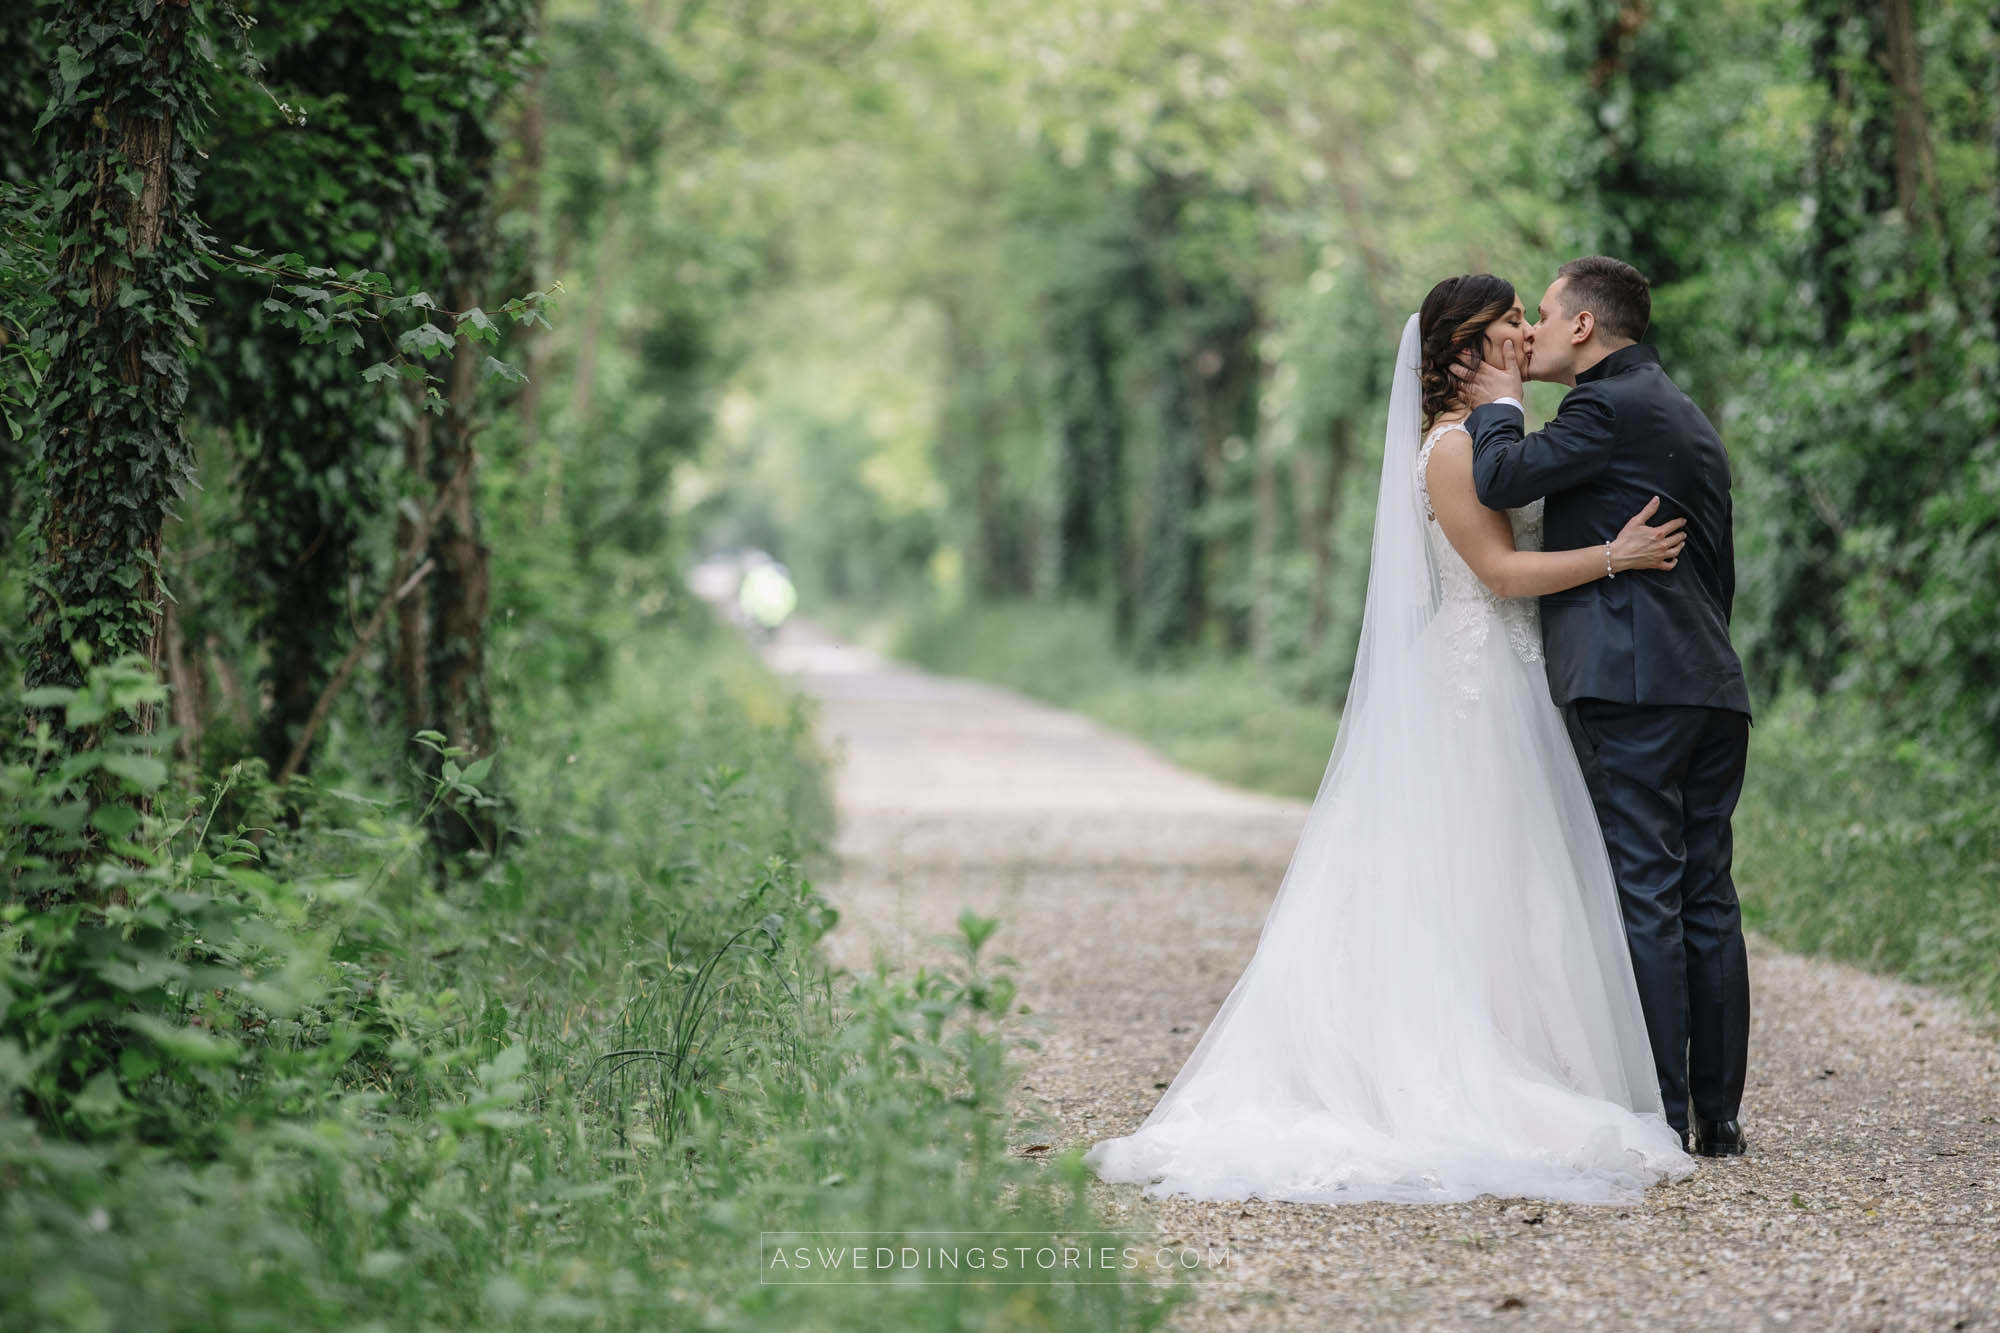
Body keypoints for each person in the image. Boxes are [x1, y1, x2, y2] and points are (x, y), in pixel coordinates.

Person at [1083, 275, 1695, 1204]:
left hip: (1521, 680)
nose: (1526, 336)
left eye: (1529, 320)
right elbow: (1494, 572)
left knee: (1520, 884)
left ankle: (1536, 1050)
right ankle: (1451, 1067)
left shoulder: (1508, 440)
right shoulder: (1452, 450)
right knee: (1471, 876)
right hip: (1475, 686)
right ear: (1462, 355)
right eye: (1506, 329)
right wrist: (1618, 556)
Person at [1456, 256, 1751, 1157]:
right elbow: (1721, 569)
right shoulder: (1686, 415)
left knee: (1647, 894)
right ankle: (1719, 1117)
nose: (1530, 333)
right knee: (1706, 894)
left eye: (1541, 316)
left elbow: (1501, 479)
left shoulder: (1604, 407)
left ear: (1583, 326)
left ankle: (1656, 1115)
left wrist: (1498, 401)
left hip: (1631, 686)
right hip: (1708, 684)